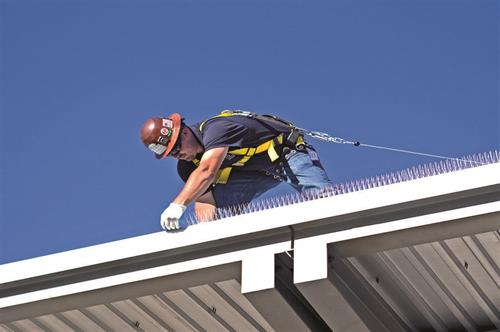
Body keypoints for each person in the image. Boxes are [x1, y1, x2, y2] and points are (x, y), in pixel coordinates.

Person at [140, 110, 333, 231]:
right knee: (219, 212)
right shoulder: (188, 167)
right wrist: (208, 236)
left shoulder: (216, 130)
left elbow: (207, 170)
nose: (177, 155)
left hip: (286, 155)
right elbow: (206, 202)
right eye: (170, 154)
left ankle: (331, 236)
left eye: (175, 148)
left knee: (324, 201)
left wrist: (177, 205)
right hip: (254, 172)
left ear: (184, 131)